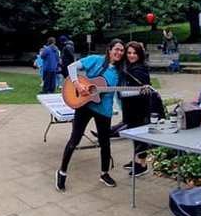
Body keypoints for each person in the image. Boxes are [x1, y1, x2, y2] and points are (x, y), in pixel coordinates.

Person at [57, 39, 127, 192]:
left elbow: (119, 96)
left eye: (122, 50)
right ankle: (62, 172)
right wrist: (77, 84)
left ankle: (104, 174)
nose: (119, 53)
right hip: (85, 105)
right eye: (117, 49)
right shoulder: (96, 60)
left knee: (105, 143)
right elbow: (71, 67)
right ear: (109, 49)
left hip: (104, 110)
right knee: (74, 139)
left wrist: (126, 113)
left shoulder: (120, 72)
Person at [119, 41, 154, 177]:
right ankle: (136, 159)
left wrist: (122, 92)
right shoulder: (131, 66)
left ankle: (142, 164)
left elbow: (142, 91)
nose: (131, 55)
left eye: (134, 53)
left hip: (140, 108)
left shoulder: (139, 69)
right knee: (135, 134)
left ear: (140, 54)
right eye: (129, 53)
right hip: (132, 107)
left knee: (140, 135)